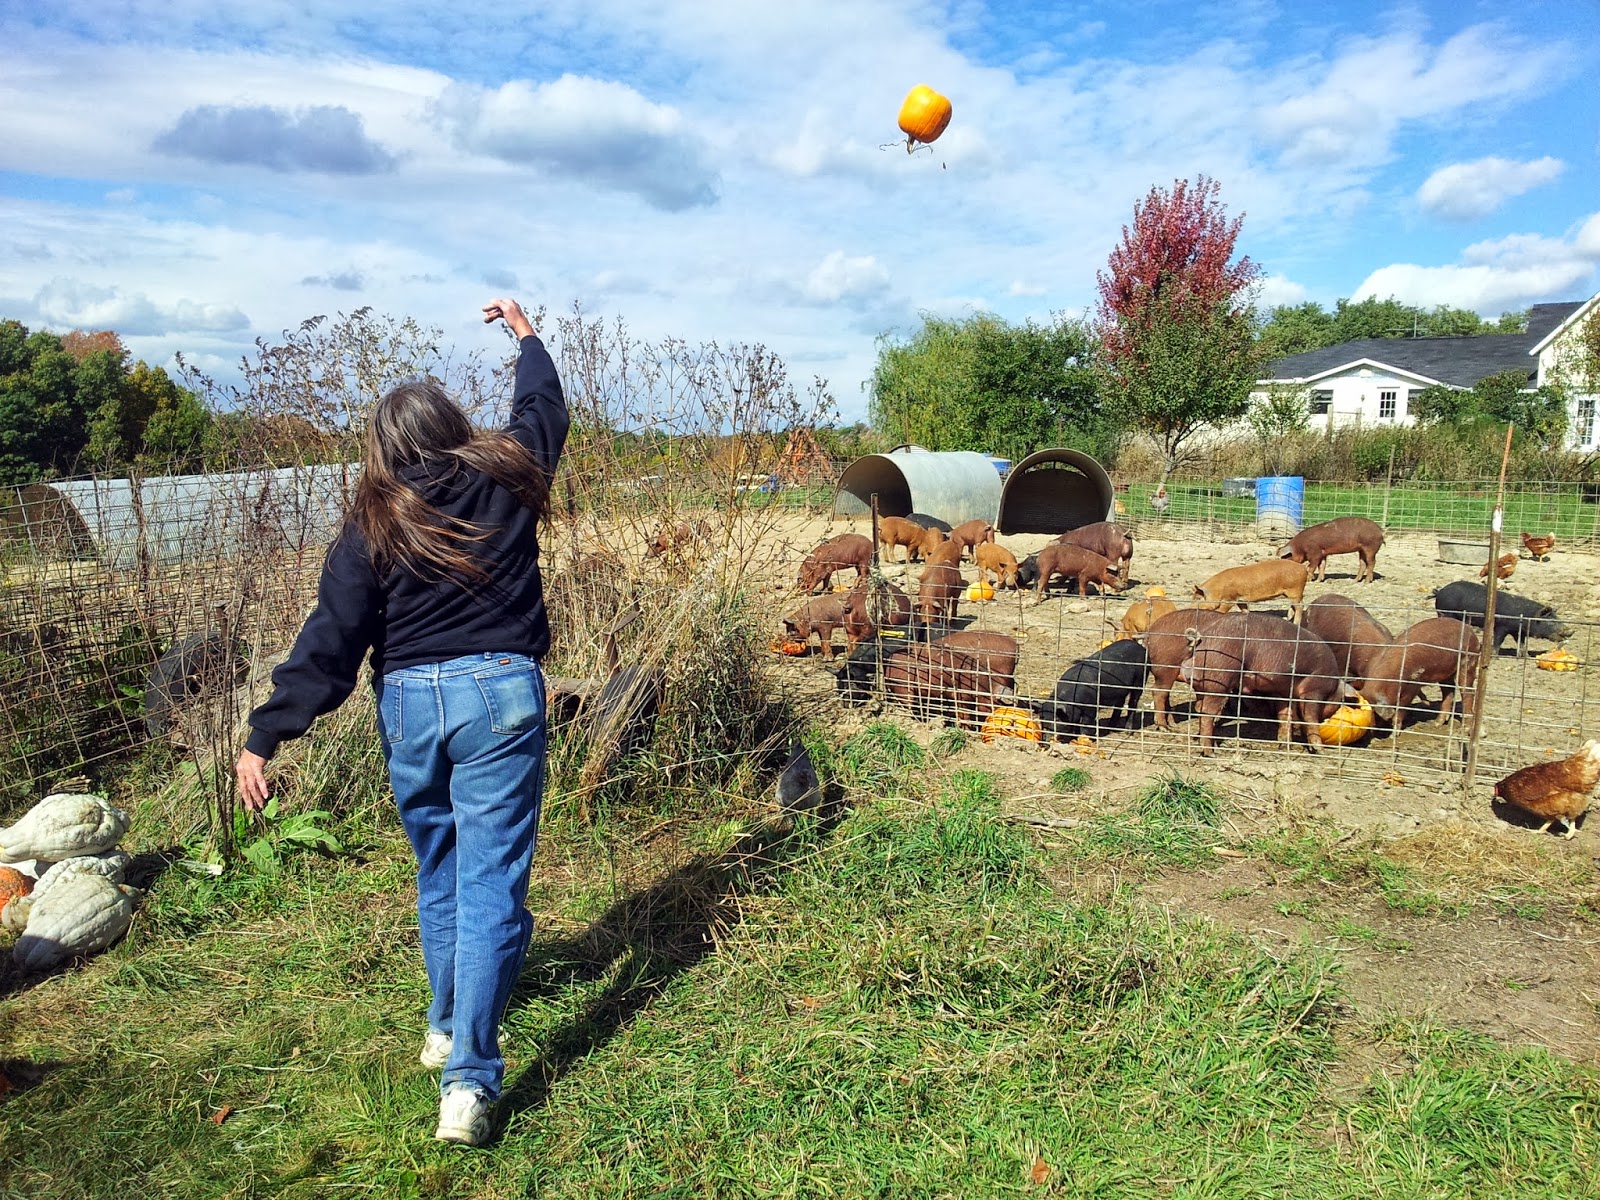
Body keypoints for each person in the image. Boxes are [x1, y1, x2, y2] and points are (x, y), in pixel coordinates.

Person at [235, 298, 568, 1146]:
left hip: (412, 703)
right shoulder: (508, 475)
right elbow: (543, 407)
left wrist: (267, 732)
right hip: (501, 694)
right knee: (492, 882)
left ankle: (445, 1023)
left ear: (385, 449)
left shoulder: (371, 520)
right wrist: (525, 335)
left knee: (441, 868)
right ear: (454, 427)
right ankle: (468, 1083)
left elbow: (332, 639)